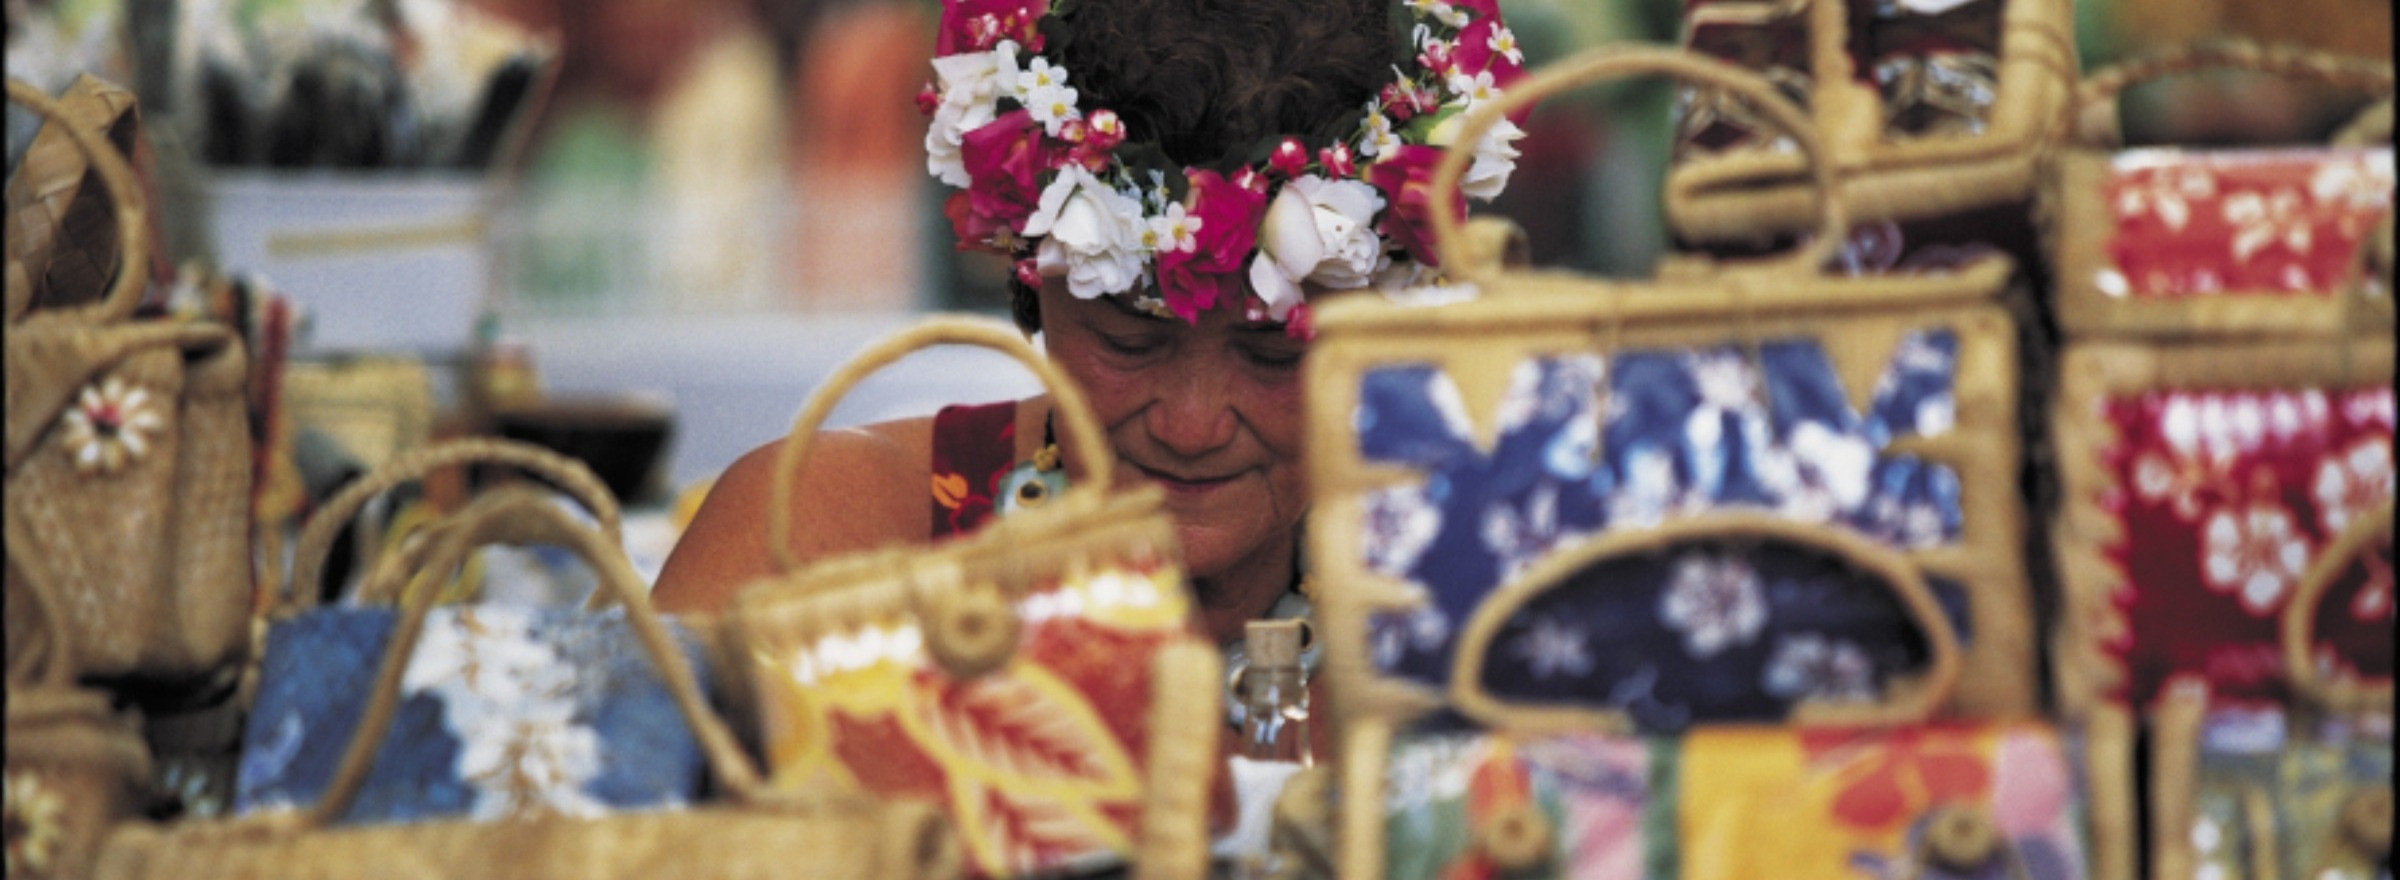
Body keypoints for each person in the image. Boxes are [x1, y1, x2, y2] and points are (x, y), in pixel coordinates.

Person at [652, 0, 1527, 658]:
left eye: (1272, 350)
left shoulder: (1477, 586)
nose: (1193, 426)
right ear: (1032, 272)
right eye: (1129, 341)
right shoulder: (818, 540)